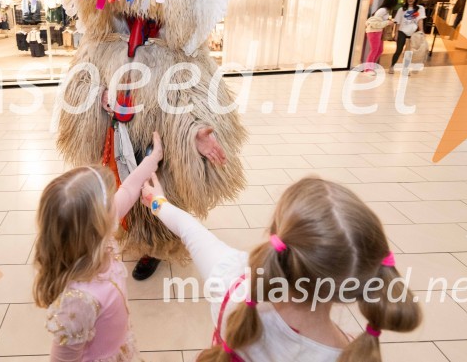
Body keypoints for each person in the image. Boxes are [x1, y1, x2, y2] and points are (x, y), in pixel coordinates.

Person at [142, 176, 422, 362]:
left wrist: (157, 201)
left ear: (275, 236)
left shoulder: (235, 289)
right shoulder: (348, 352)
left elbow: (190, 231)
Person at [34, 132, 164, 362]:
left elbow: (130, 189)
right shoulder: (77, 301)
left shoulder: (98, 239)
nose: (116, 200)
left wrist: (154, 158)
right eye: (109, 202)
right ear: (97, 225)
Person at [389, 0, 426, 74]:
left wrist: (422, 31)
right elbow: (398, 22)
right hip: (402, 31)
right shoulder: (401, 9)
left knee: (409, 52)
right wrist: (396, 33)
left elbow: (420, 20)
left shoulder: (420, 8)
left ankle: (406, 69)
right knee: (398, 50)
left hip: (413, 33)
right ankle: (392, 66)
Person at [364, 0, 399, 74]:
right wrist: (387, 22)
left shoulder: (385, 10)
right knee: (374, 50)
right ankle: (368, 69)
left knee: (379, 50)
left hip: (378, 31)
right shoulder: (383, 10)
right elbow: (373, 22)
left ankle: (371, 67)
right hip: (374, 31)